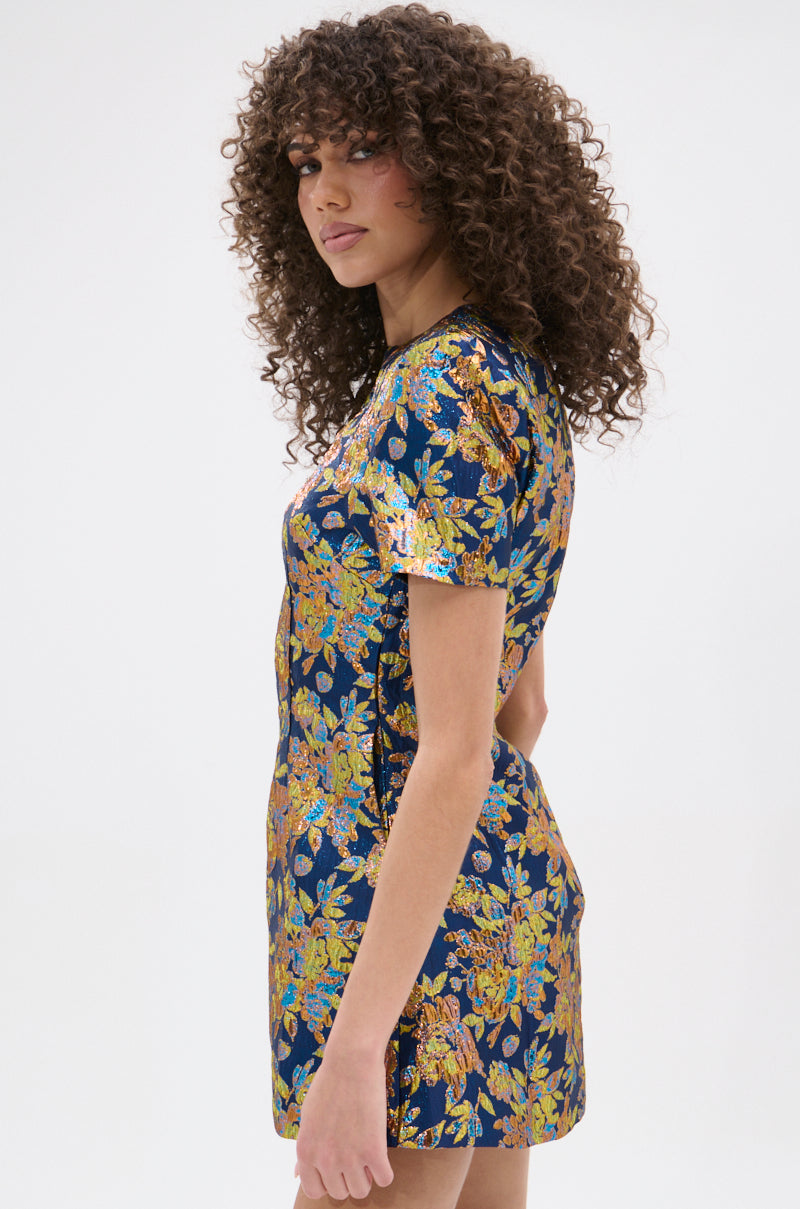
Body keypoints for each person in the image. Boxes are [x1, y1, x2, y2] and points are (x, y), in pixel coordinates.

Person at [221, 5, 657, 1205]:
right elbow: (522, 704)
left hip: (405, 955)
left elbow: (462, 746)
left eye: (364, 148)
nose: (325, 192)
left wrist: (360, 1043)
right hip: (473, 920)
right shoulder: (502, 380)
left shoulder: (438, 400)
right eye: (305, 162)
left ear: (456, 161)